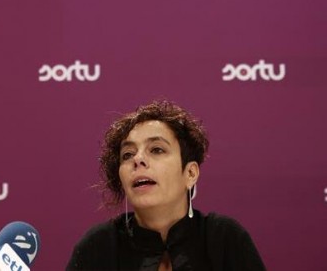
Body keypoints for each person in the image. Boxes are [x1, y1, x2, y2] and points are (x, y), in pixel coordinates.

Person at [67, 100, 266, 271]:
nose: (139, 159)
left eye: (156, 149)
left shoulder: (224, 239)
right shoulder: (98, 247)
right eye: (127, 155)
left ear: (190, 173)